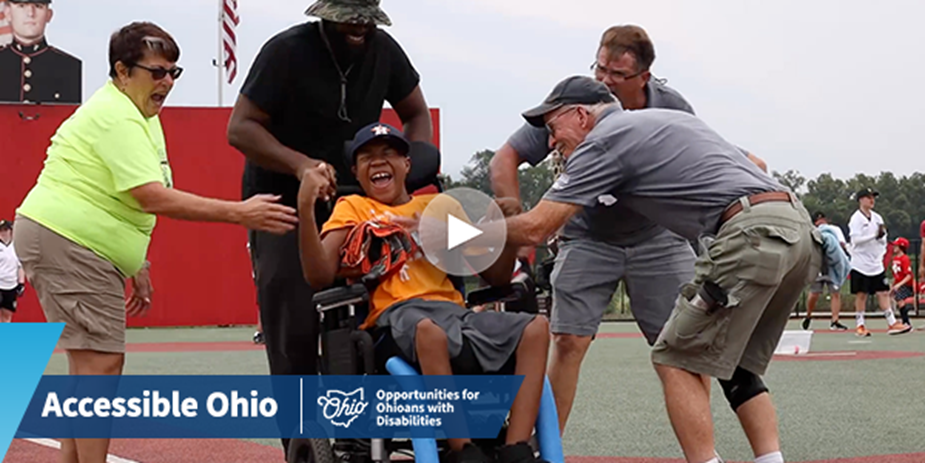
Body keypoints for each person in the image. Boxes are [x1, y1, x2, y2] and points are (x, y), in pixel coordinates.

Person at [457, 76, 822, 463]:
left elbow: (536, 227)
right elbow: (758, 164)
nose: (549, 143)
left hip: (745, 233)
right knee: (740, 368)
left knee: (674, 356)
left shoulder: (603, 141)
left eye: (552, 129)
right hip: (796, 230)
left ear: (581, 115)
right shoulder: (663, 121)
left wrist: (467, 231)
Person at [13, 22, 297, 463]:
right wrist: (240, 212)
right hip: (69, 240)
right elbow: (151, 195)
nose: (167, 82)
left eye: (173, 73)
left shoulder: (141, 115)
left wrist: (136, 264)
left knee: (89, 365)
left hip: (71, 241)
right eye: (157, 72)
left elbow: (127, 198)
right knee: (100, 366)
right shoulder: (118, 115)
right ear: (122, 71)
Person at [488, 24, 768, 434]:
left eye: (617, 75)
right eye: (600, 68)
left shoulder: (671, 106)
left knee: (682, 350)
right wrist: (512, 216)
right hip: (587, 236)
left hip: (658, 237)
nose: (606, 80)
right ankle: (546, 449)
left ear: (644, 78)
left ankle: (702, 451)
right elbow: (505, 159)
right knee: (567, 342)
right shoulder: (576, 102)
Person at [226, 1, 433, 453]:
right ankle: (301, 445)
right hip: (281, 201)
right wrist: (301, 166)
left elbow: (416, 112)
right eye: (347, 16)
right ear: (325, 14)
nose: (357, 25)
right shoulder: (286, 52)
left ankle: (356, 441)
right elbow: (239, 128)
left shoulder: (385, 50)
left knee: (358, 322)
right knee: (295, 326)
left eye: (365, 16)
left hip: (352, 200)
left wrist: (415, 164)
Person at [298, 122, 548, 463]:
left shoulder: (439, 206)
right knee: (429, 332)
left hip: (454, 314)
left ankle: (516, 450)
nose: (378, 161)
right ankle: (463, 450)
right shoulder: (353, 208)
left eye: (389, 154)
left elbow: (498, 275)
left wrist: (501, 230)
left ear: (407, 164)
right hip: (395, 317)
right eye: (367, 157)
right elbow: (319, 275)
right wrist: (304, 207)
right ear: (355, 171)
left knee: (536, 328)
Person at [847, 188, 911, 337]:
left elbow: (883, 237)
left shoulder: (877, 218)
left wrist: (881, 245)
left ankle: (892, 322)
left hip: (876, 264)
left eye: (873, 197)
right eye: (868, 197)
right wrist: (873, 236)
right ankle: (860, 325)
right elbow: (855, 240)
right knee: (861, 294)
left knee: (882, 292)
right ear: (861, 199)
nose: (872, 200)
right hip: (860, 263)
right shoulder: (856, 219)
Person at [0, 0, 81, 103]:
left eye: (38, 6)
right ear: (8, 13)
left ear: (49, 15)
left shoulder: (70, 66)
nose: (30, 13)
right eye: (21, 6)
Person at [802, 212, 849, 331]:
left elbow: (841, 246)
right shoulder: (812, 231)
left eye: (822, 219)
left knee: (835, 293)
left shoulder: (834, 230)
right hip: (819, 265)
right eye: (819, 220)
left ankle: (835, 320)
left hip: (832, 266)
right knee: (814, 293)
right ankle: (808, 315)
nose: (821, 222)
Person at [0, 219, 25, 323]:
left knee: (7, 315)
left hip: (11, 285)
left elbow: (20, 266)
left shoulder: (16, 246)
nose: (3, 232)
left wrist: (21, 283)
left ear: (10, 231)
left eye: (5, 230)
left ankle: (5, 337)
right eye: (1, 230)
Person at [890, 237, 915, 328]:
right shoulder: (895, 259)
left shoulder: (905, 259)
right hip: (898, 285)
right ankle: (905, 321)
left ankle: (906, 322)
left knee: (901, 302)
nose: (894, 248)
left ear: (901, 247)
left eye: (896, 246)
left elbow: (909, 275)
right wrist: (893, 286)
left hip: (905, 285)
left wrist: (899, 285)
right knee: (899, 302)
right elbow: (896, 275)